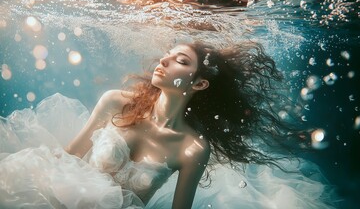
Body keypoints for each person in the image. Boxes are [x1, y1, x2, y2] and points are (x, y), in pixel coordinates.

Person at [0, 41, 336, 208]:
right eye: (168, 54)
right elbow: (71, 155)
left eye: (181, 61)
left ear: (200, 84)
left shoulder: (193, 148)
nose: (163, 60)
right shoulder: (116, 101)